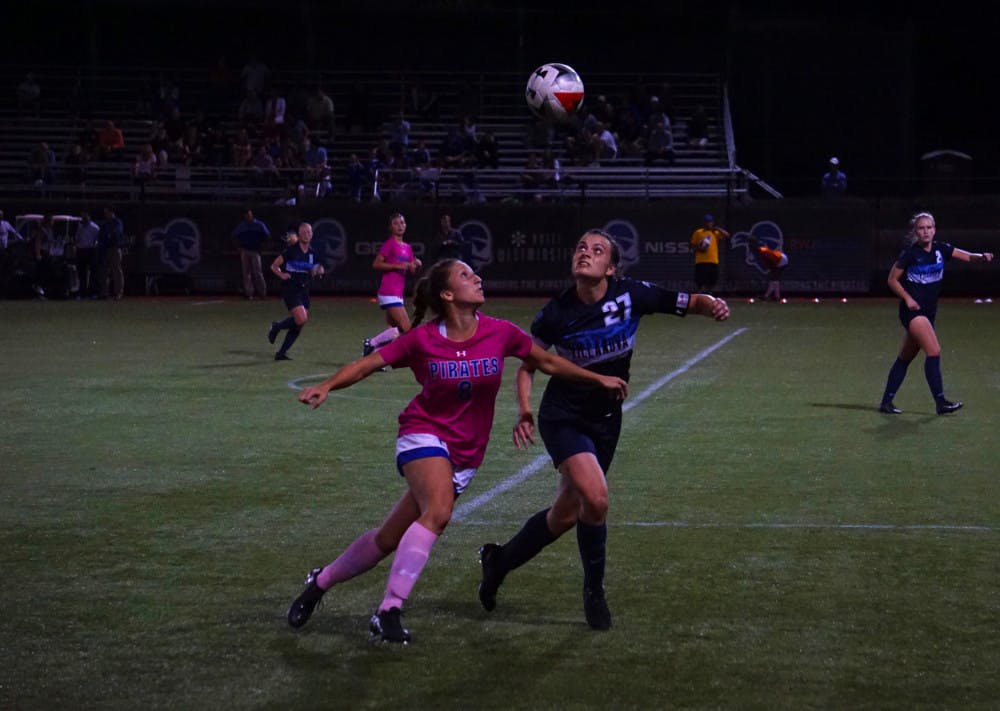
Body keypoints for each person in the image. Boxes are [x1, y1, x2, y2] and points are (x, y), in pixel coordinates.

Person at [285, 257, 630, 644]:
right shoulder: (422, 339)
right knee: (439, 510)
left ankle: (320, 582)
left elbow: (548, 361)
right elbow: (367, 365)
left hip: (466, 453)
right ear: (448, 294)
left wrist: (596, 378)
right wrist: (327, 386)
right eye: (466, 275)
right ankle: (389, 610)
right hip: (423, 434)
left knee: (387, 539)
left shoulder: (500, 332)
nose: (477, 278)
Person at [476, 229, 731, 630]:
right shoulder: (556, 312)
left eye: (597, 251)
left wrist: (713, 306)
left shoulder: (631, 295)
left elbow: (687, 301)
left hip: (606, 420)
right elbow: (527, 367)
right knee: (595, 499)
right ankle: (594, 593)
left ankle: (499, 561)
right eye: (581, 247)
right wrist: (524, 410)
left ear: (611, 268)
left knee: (564, 515)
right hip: (563, 416)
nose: (585, 253)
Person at [879, 211, 993, 415]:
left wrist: (981, 257)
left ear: (934, 229)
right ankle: (941, 403)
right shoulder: (910, 254)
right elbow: (892, 280)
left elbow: (967, 256)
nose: (926, 231)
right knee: (934, 351)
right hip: (913, 312)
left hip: (929, 313)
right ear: (915, 232)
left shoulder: (941, 249)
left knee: (905, 357)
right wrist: (908, 298)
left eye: (929, 227)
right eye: (921, 228)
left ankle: (886, 402)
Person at [362, 213, 422, 357]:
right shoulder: (390, 244)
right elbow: (376, 264)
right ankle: (371, 343)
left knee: (393, 331)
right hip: (388, 291)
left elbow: (413, 270)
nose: (400, 226)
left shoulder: (407, 247)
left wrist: (417, 265)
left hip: (398, 293)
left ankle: (373, 356)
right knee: (406, 328)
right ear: (390, 227)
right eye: (396, 223)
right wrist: (397, 265)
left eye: (402, 222)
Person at [268, 222, 324, 361]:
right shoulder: (291, 250)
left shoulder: (312, 253)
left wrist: (319, 271)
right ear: (299, 235)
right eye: (303, 232)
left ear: (312, 234)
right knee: (301, 318)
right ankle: (277, 326)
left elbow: (317, 269)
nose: (306, 234)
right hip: (291, 289)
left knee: (299, 324)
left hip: (304, 290)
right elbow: (274, 266)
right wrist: (281, 274)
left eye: (309, 232)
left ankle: (281, 353)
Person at [232, 209, 271, 300]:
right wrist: (238, 247)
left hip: (255, 251)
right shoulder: (242, 226)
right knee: (246, 273)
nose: (248, 216)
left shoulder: (259, 224)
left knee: (258, 272)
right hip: (245, 250)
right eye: (247, 215)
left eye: (249, 215)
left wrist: (264, 247)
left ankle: (262, 293)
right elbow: (234, 236)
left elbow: (267, 235)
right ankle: (249, 293)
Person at [690, 213, 729, 294]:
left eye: (710, 222)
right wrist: (700, 248)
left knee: (712, 281)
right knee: (700, 281)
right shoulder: (698, 232)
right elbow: (692, 245)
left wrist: (718, 228)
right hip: (701, 261)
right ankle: (699, 296)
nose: (708, 224)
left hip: (713, 260)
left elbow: (727, 235)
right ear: (703, 223)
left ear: (712, 223)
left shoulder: (715, 233)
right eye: (706, 222)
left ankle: (709, 295)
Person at [96, 206, 126, 301]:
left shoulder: (117, 222)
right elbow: (101, 235)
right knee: (104, 272)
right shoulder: (105, 223)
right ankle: (104, 293)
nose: (106, 214)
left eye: (107, 212)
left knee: (116, 271)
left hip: (115, 248)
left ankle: (118, 293)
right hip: (105, 249)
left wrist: (110, 234)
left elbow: (117, 232)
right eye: (105, 213)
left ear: (112, 212)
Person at [748, 236, 789, 301]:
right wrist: (771, 268)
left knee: (774, 279)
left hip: (781, 260)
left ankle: (773, 296)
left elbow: (772, 260)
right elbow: (768, 262)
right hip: (779, 260)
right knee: (774, 279)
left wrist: (773, 269)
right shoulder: (761, 251)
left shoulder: (763, 251)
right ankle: (772, 296)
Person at [73, 212, 100, 299]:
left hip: (91, 250)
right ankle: (82, 293)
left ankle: (92, 293)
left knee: (93, 272)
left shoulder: (95, 227)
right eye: (82, 217)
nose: (83, 219)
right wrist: (76, 246)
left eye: (85, 217)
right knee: (81, 273)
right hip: (81, 250)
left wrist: (94, 246)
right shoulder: (80, 227)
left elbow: (97, 239)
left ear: (89, 217)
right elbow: (77, 238)